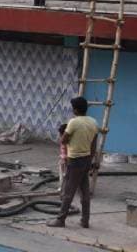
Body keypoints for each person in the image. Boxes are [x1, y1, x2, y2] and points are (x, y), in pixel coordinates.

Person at [48, 96, 99, 229]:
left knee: (68, 191)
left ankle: (60, 220)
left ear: (75, 109)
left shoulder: (73, 122)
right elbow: (94, 143)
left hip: (75, 159)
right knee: (84, 191)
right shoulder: (93, 122)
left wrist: (66, 138)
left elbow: (63, 140)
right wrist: (90, 158)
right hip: (87, 158)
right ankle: (85, 220)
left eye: (73, 108)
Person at [57, 123, 68, 190]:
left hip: (66, 159)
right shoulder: (63, 140)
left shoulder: (64, 140)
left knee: (64, 174)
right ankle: (62, 186)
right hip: (65, 158)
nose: (60, 135)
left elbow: (64, 150)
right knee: (63, 173)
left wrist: (64, 158)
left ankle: (62, 187)